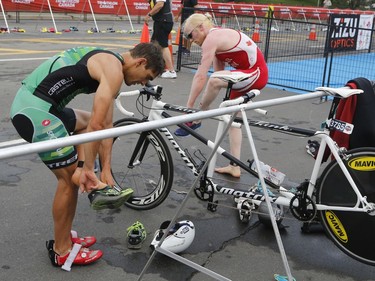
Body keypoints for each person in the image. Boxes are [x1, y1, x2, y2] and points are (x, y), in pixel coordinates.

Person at [10, 43, 165, 268]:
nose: (144, 83)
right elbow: (97, 124)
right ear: (140, 62)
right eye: (147, 76)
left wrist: (105, 170)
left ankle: (66, 233)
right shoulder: (113, 69)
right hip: (34, 112)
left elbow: (107, 126)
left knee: (82, 126)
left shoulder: (111, 62)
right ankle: (61, 250)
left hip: (43, 107)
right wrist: (85, 169)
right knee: (69, 181)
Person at [174, 13, 268, 178]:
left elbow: (201, 76)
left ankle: (197, 117)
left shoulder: (212, 38)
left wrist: (189, 107)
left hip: (255, 73)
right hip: (246, 74)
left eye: (190, 35)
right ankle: (235, 166)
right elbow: (220, 74)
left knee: (213, 80)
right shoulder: (215, 40)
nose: (190, 40)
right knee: (234, 120)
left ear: (201, 28)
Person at [145, 0, 177, 79]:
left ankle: (171, 71)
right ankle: (154, 67)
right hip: (161, 21)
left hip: (163, 21)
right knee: (154, 44)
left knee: (162, 45)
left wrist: (149, 15)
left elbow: (160, 5)